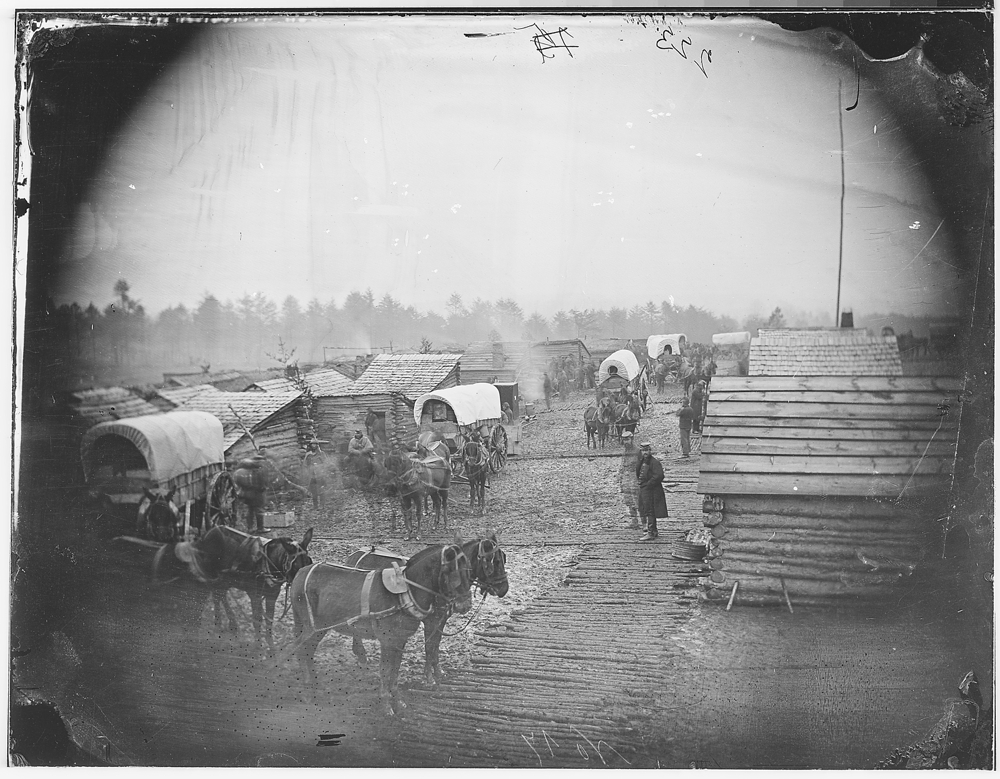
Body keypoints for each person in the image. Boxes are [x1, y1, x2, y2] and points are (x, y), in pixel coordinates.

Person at [635, 442, 668, 541]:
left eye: (647, 450)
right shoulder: (641, 461)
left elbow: (659, 476)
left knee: (650, 510)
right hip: (644, 489)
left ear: (650, 451)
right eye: (643, 451)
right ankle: (653, 531)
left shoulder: (655, 462)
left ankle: (651, 532)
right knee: (646, 509)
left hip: (652, 490)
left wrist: (649, 484)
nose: (645, 453)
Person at [618, 431, 641, 529]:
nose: (626, 442)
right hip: (626, 478)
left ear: (632, 439)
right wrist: (620, 477)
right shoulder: (625, 451)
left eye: (627, 439)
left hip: (635, 477)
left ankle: (645, 522)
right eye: (624, 440)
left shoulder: (638, 451)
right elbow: (622, 464)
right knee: (628, 500)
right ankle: (634, 521)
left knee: (638, 501)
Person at [303, 442, 323, 510]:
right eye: (312, 444)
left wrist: (318, 466)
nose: (314, 446)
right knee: (314, 492)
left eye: (315, 444)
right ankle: (315, 506)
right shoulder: (308, 455)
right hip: (312, 476)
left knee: (321, 490)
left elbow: (326, 463)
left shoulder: (321, 454)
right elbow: (305, 465)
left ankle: (322, 505)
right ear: (310, 445)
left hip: (320, 475)